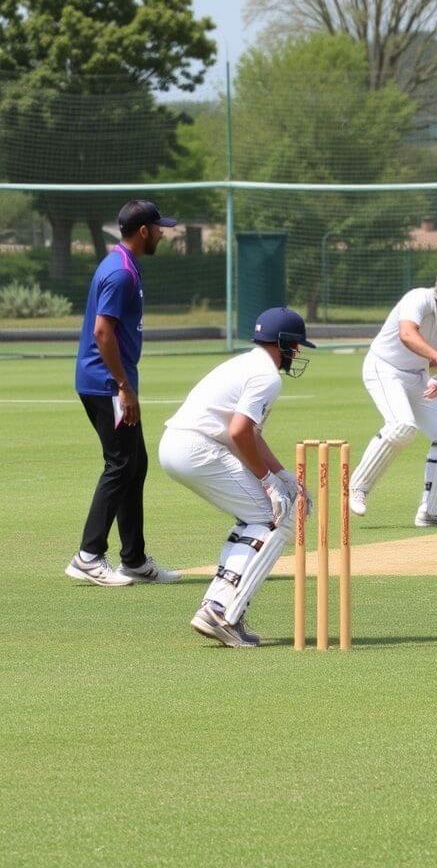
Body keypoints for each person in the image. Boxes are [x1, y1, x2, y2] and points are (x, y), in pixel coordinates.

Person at [158, 307, 316, 647]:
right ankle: (223, 612)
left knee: (257, 517)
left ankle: (218, 605)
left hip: (178, 444)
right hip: (197, 448)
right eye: (296, 345)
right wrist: (269, 483)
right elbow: (239, 431)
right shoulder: (267, 376)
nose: (298, 352)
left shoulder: (246, 363)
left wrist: (281, 474)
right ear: (283, 342)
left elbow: (250, 435)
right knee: (277, 518)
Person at [66, 199, 181, 587]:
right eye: (159, 228)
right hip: (106, 384)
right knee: (120, 465)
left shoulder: (124, 264)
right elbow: (102, 332)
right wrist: (123, 386)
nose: (163, 233)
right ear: (144, 231)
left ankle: (133, 558)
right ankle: (88, 555)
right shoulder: (120, 273)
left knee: (135, 463)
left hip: (110, 381)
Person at [349, 264, 437, 527]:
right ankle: (358, 486)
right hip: (384, 367)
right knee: (402, 427)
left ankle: (432, 510)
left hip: (418, 375)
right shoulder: (417, 298)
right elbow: (407, 334)